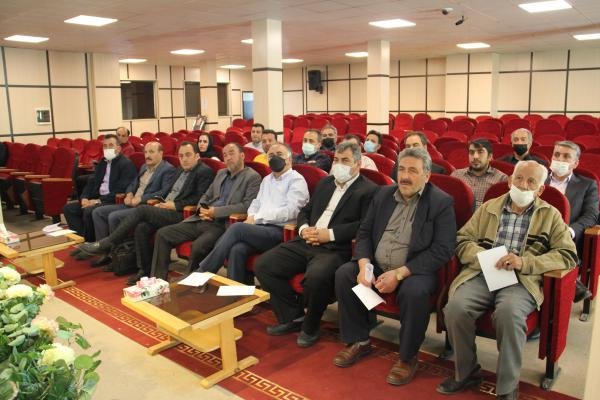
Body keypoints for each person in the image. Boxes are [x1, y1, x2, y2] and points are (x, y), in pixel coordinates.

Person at [438, 160, 577, 400]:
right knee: (455, 309)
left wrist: (525, 262)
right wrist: (482, 257)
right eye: (519, 178)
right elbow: (461, 240)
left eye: (531, 182)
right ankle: (467, 371)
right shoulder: (489, 207)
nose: (522, 185)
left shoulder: (550, 215)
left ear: (540, 189)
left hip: (522, 280)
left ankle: (506, 387)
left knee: (509, 314)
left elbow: (567, 255)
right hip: (483, 272)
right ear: (510, 180)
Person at [332, 148, 456, 386]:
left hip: (413, 270)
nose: (405, 176)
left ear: (427, 175)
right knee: (345, 273)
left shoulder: (440, 202)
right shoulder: (383, 194)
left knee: (415, 291)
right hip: (377, 265)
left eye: (413, 171)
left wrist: (399, 274)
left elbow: (442, 249)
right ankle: (359, 341)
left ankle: (408, 357)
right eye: (402, 169)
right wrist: (364, 265)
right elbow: (364, 233)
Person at [255, 141, 378, 347]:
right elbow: (305, 210)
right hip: (306, 240)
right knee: (264, 265)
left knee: (316, 277)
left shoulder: (369, 190)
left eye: (345, 161)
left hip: (335, 248)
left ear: (357, 164)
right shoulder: (325, 183)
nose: (339, 165)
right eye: (336, 160)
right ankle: (293, 316)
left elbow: (364, 225)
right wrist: (304, 229)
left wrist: (328, 235)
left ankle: (311, 326)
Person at [76, 142, 215, 284]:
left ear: (197, 156)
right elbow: (167, 191)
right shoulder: (180, 170)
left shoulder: (204, 171)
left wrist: (174, 205)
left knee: (142, 210)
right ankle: (144, 270)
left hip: (181, 213)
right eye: (181, 156)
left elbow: (199, 198)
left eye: (188, 155)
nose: (184, 159)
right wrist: (160, 202)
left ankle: (108, 242)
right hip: (164, 207)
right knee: (141, 227)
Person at [195, 143, 309, 283]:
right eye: (271, 156)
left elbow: (291, 211)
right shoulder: (267, 179)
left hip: (281, 231)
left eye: (279, 154)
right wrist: (250, 216)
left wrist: (257, 218)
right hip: (259, 229)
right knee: (237, 249)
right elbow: (255, 203)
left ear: (289, 159)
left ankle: (204, 271)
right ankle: (236, 292)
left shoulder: (296, 180)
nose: (274, 158)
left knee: (237, 228)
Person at [151, 143, 261, 280]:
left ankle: (190, 281)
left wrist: (215, 212)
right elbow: (206, 195)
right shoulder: (221, 173)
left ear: (242, 155)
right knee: (163, 234)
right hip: (202, 218)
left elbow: (246, 206)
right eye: (225, 155)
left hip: (222, 224)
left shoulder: (252, 177)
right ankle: (158, 280)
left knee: (198, 246)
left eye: (231, 153)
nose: (228, 157)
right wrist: (201, 209)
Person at [88, 141, 176, 267]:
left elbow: (163, 192)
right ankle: (104, 252)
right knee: (98, 212)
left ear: (161, 153)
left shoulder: (168, 170)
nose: (147, 155)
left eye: (151, 152)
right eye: (146, 152)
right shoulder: (144, 167)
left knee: (114, 216)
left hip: (145, 207)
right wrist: (129, 193)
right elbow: (132, 184)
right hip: (131, 202)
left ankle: (117, 256)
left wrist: (141, 199)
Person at [547, 140, 599, 302]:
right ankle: (574, 285)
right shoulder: (538, 180)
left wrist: (570, 231)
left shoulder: (587, 185)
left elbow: (591, 215)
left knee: (557, 239)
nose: (560, 159)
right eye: (556, 155)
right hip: (535, 231)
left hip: (567, 235)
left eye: (566, 157)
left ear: (575, 163)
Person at [64, 134, 137, 244]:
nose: (107, 149)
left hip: (111, 200)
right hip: (97, 197)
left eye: (111, 145)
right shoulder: (102, 162)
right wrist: (84, 198)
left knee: (89, 211)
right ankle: (81, 240)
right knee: (69, 208)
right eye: (105, 146)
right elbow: (91, 182)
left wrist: (97, 201)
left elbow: (121, 189)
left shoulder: (126, 164)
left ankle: (90, 243)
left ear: (118, 148)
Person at [450, 139, 507, 208]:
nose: (475, 157)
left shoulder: (501, 179)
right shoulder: (456, 175)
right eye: (471, 152)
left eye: (480, 152)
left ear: (489, 157)